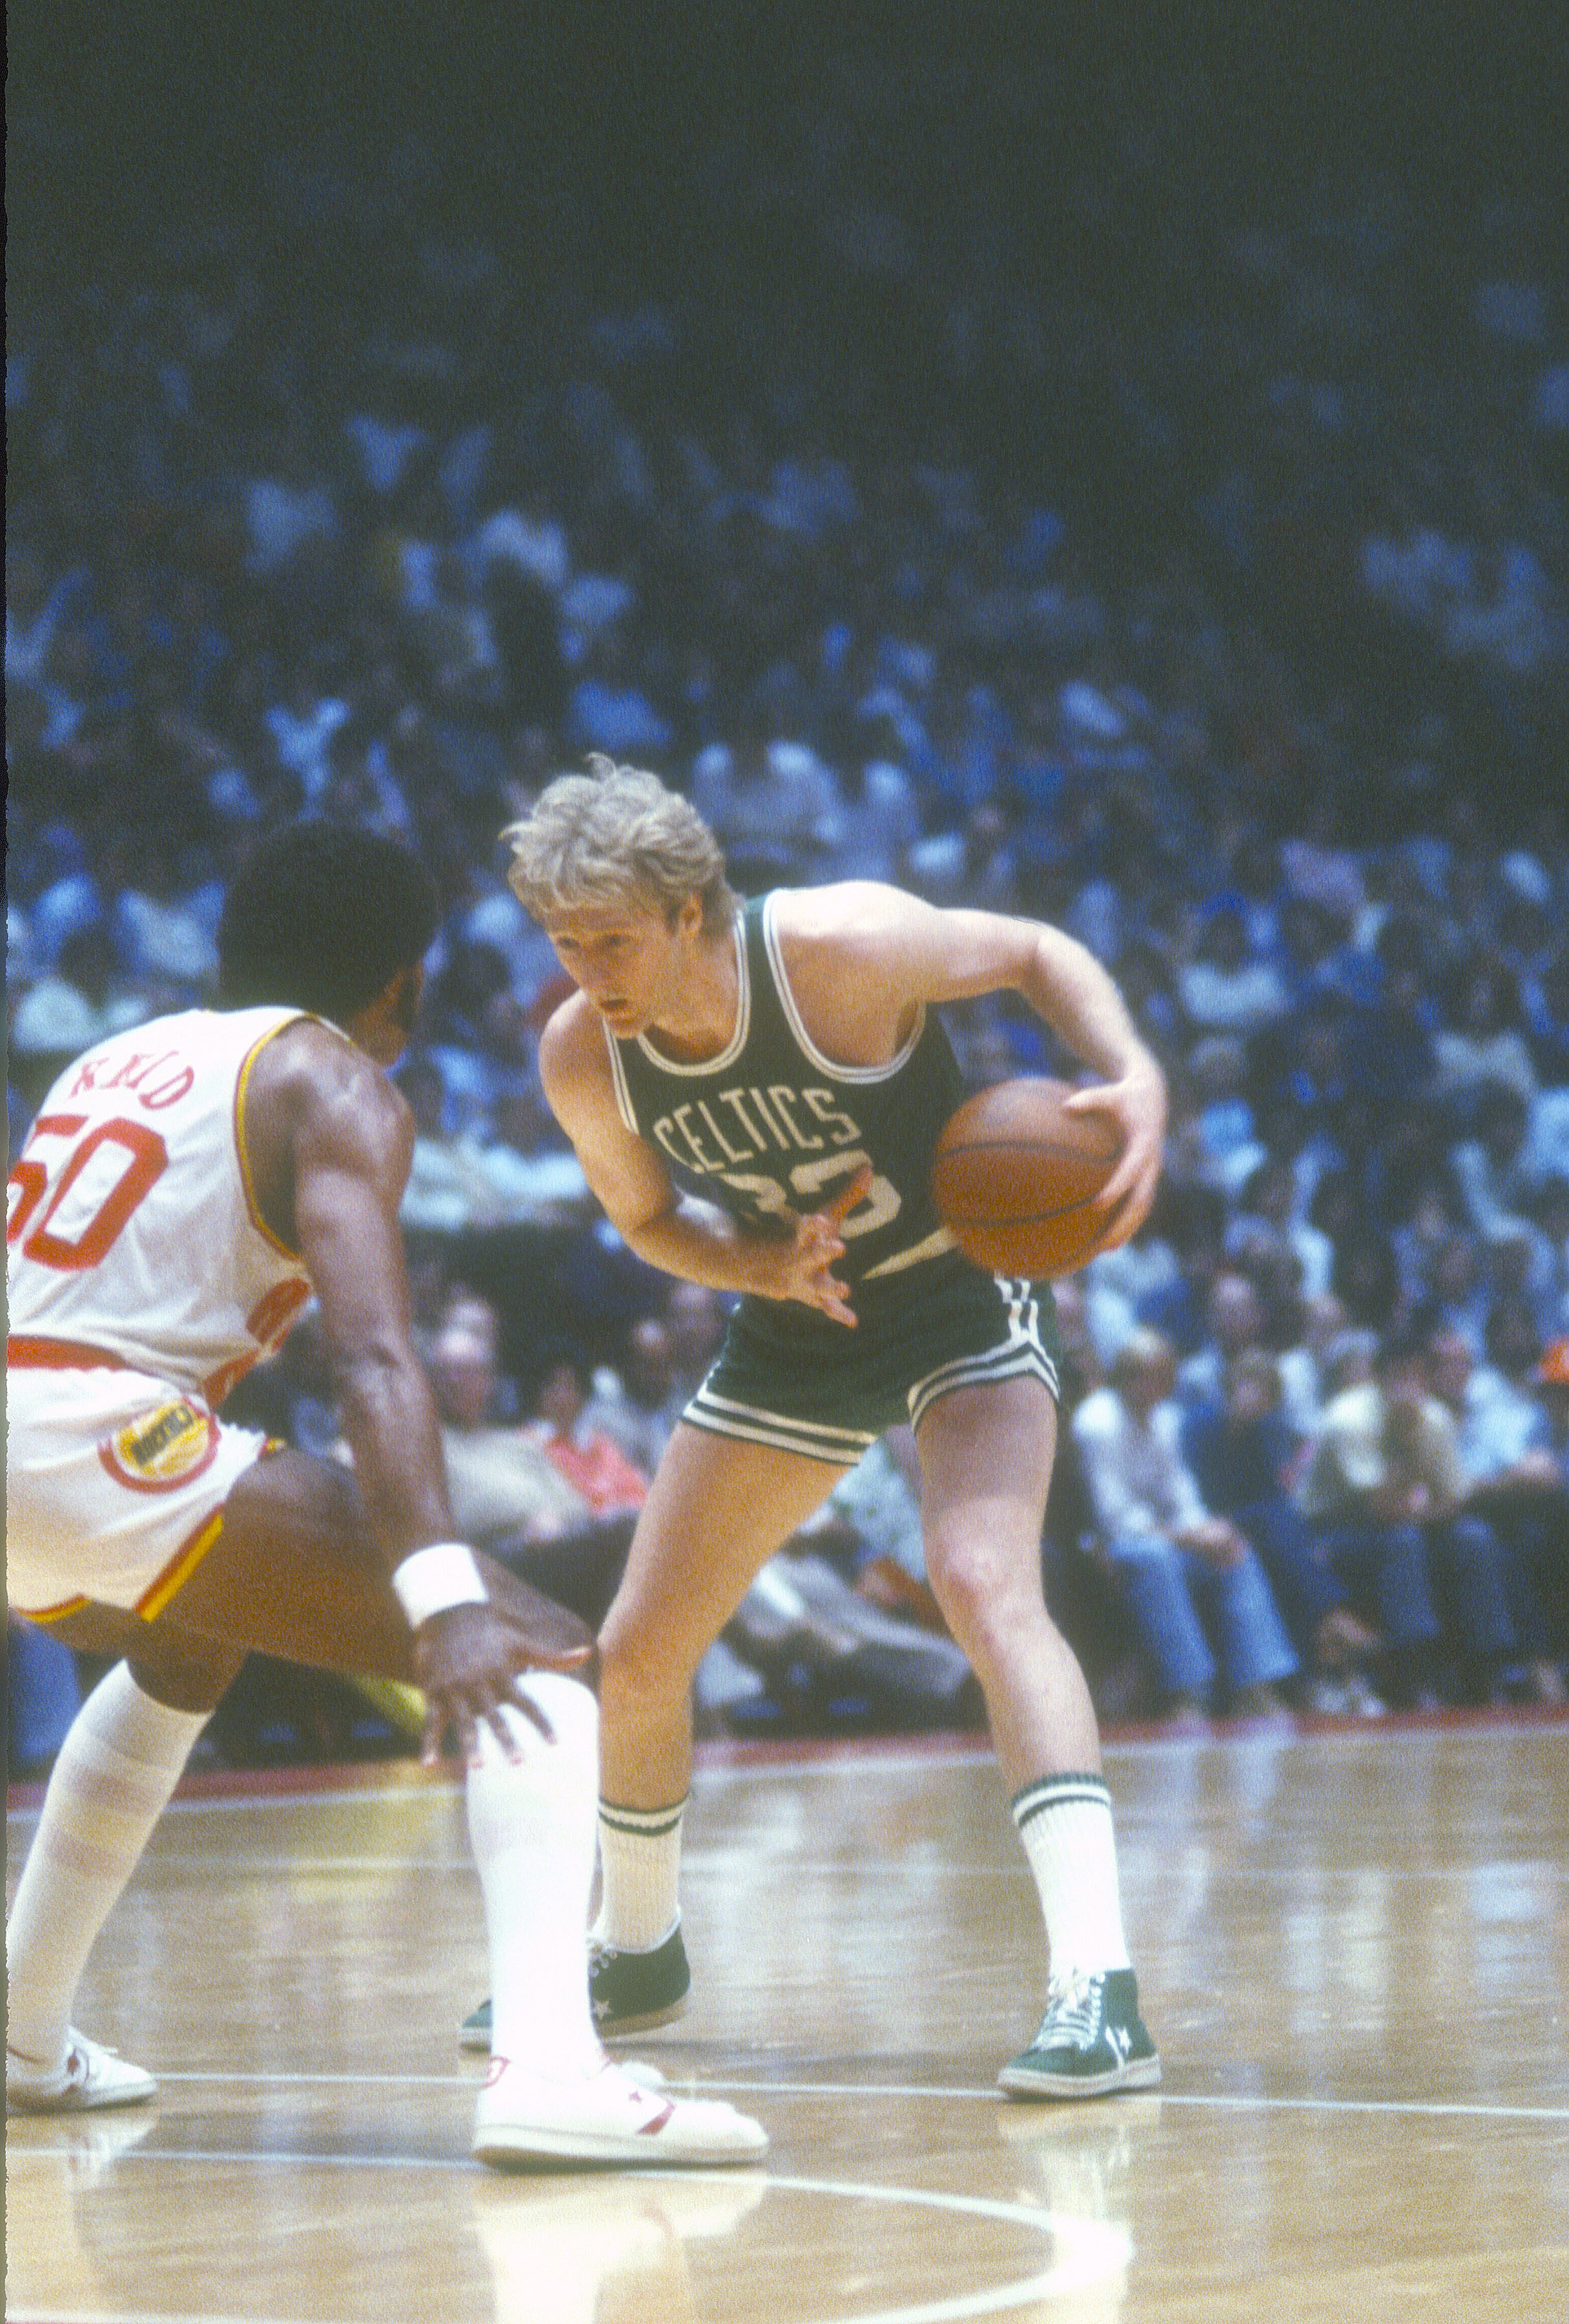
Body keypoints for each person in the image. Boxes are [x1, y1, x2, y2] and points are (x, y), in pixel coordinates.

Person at [5, 817, 764, 2170]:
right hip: (93, 1436)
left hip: (37, 1432)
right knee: (532, 1655)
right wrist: (441, 1602)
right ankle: (550, 2066)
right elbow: (373, 1355)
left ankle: (19, 2033)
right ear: (403, 986)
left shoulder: (117, 1059)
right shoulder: (333, 1083)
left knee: (189, 1647)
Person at [479, 755, 1168, 2099]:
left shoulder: (837, 948)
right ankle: (640, 1949)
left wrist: (1130, 1070)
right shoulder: (581, 1050)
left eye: (607, 938)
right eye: (562, 942)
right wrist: (762, 1271)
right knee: (636, 1655)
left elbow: (1032, 947)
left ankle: (1101, 1988)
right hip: (798, 1319)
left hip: (963, 1301)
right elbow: (645, 1221)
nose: (583, 969)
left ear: (689, 912)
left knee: (981, 1586)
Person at [1072, 1330, 1298, 1725]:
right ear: (1125, 1378)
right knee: (1157, 1558)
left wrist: (1207, 1532)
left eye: (1161, 1377)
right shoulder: (1098, 1422)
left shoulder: (1165, 1418)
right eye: (1145, 1376)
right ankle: (1189, 1692)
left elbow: (1181, 1495)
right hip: (1103, 1546)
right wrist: (1190, 1537)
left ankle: (1257, 1686)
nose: (1156, 1386)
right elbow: (1115, 1520)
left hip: (1159, 1535)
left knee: (1232, 1551)